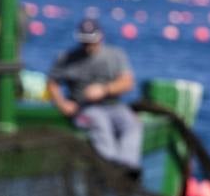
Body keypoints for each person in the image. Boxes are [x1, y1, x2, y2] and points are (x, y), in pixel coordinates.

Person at [48, 18, 143, 175]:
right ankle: (108, 167)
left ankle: (128, 165)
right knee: (100, 124)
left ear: (100, 37)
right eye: (85, 41)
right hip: (85, 108)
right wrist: (62, 104)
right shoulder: (66, 58)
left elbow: (128, 82)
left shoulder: (115, 55)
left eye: (91, 41)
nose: (88, 46)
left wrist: (105, 89)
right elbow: (52, 83)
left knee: (131, 123)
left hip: (113, 105)